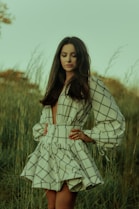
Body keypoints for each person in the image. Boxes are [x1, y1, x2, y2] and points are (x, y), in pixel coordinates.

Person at [21, 36, 125, 209]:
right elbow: (46, 115)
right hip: (48, 148)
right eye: (64, 55)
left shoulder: (91, 84)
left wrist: (89, 135)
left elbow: (115, 119)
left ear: (81, 57)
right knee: (51, 206)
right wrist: (44, 129)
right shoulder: (55, 84)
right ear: (59, 58)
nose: (68, 59)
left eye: (73, 55)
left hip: (70, 148)